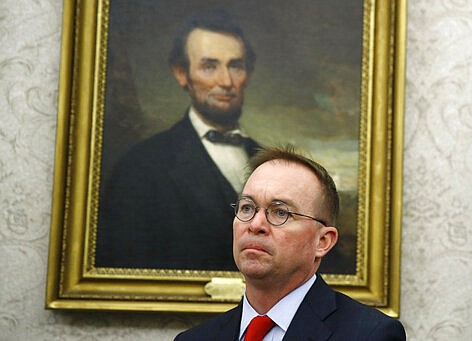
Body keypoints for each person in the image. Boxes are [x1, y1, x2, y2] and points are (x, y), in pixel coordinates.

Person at [174, 146, 406, 340]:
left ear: (323, 241)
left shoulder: (370, 335)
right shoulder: (194, 339)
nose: (255, 224)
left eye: (280, 212)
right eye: (247, 208)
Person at [95, 11, 260, 270]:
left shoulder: (267, 159)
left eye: (235, 66)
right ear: (181, 73)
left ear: (247, 74)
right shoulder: (141, 166)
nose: (226, 81)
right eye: (209, 66)